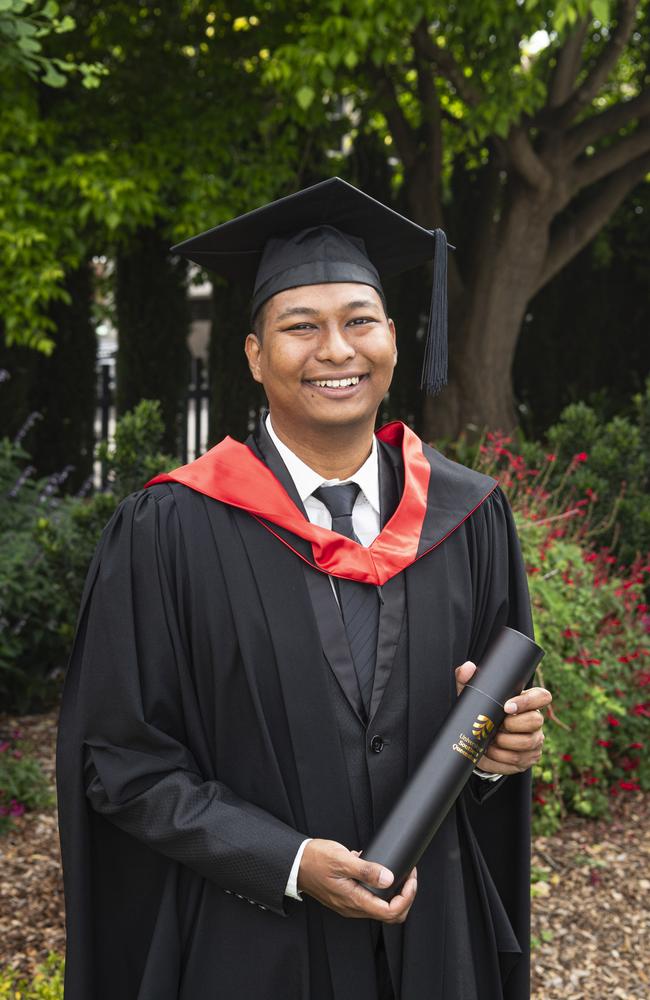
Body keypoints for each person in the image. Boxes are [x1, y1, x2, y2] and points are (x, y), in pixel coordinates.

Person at [56, 177, 552, 1000]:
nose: (336, 350)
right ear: (254, 355)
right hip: (251, 948)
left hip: (433, 942)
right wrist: (285, 862)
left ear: (394, 337)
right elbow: (122, 762)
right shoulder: (171, 530)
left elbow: (489, 723)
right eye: (300, 327)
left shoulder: (469, 518)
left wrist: (499, 759)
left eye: (359, 321)